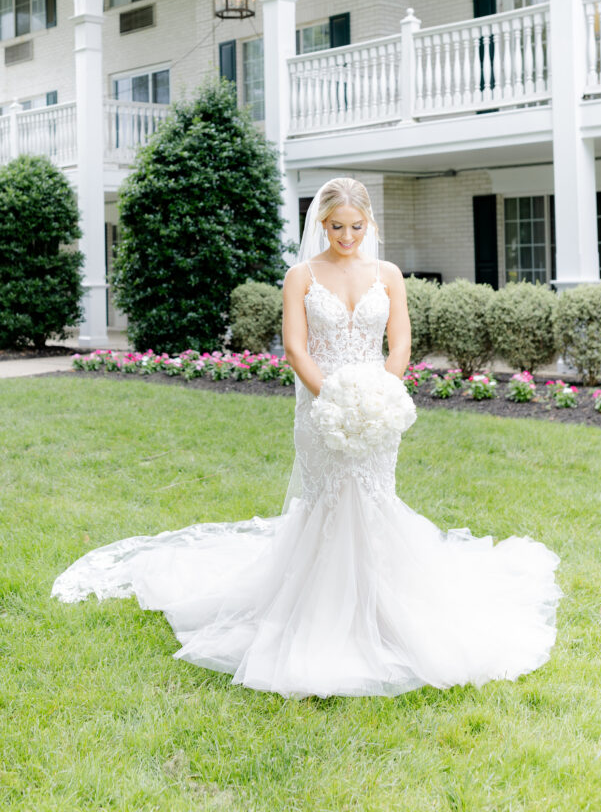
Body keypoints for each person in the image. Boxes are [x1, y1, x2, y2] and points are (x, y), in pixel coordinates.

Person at [52, 177, 561, 698]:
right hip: (323, 406)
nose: (347, 235)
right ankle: (319, 608)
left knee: (373, 496)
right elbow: (296, 349)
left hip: (376, 405)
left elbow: (401, 338)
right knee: (329, 499)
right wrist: (334, 398)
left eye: (356, 226)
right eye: (337, 226)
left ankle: (384, 607)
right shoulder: (301, 275)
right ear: (322, 224)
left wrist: (382, 391)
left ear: (370, 224)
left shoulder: (387, 274)